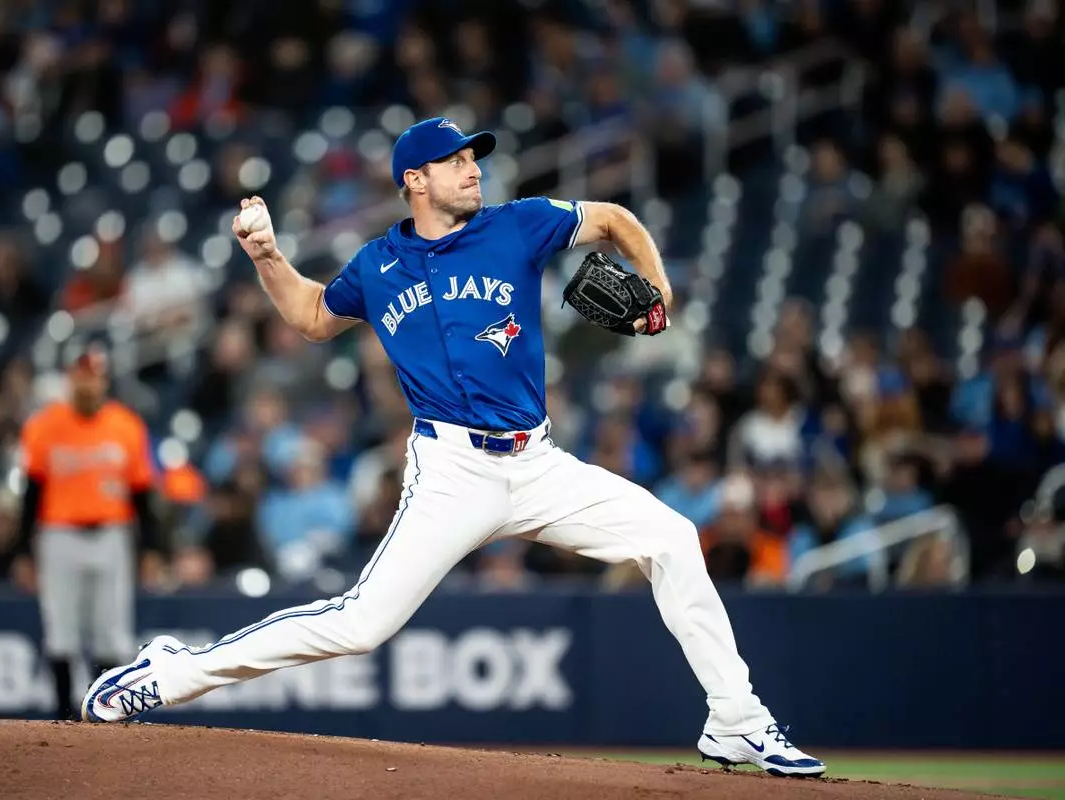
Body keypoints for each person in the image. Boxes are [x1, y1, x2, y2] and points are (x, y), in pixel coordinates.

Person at [81, 118, 825, 777]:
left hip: (538, 463)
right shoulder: (378, 265)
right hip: (451, 472)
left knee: (672, 538)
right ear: (416, 179)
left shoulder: (518, 224)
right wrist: (268, 256)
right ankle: (172, 673)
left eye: (475, 159)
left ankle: (736, 718)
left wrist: (657, 292)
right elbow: (311, 316)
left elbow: (613, 219)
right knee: (361, 624)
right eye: (457, 161)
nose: (474, 169)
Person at [16, 343, 164, 720]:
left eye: (95, 377)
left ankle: (107, 713)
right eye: (82, 377)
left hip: (112, 533)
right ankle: (64, 715)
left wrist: (150, 549)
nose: (88, 385)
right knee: (60, 629)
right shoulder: (44, 425)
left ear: (105, 381)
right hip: (59, 534)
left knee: (111, 630)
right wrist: (23, 551)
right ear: (70, 380)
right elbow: (31, 493)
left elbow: (142, 495)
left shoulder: (126, 425)